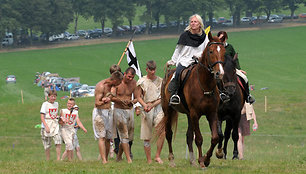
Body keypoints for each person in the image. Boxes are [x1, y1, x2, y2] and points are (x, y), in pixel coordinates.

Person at [166, 14, 210, 105]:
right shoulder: (184, 35)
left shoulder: (205, 37)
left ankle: (220, 93)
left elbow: (207, 50)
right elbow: (178, 49)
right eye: (192, 22)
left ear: (199, 24)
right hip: (185, 60)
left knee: (212, 73)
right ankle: (175, 94)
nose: (193, 23)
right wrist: (173, 61)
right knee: (178, 73)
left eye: (195, 22)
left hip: (199, 61)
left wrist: (199, 55)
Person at [135, 60, 165, 164]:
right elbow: (138, 97)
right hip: (146, 107)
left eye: (154, 69)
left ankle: (157, 156)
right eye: (150, 70)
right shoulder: (141, 81)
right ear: (147, 69)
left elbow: (162, 97)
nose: (152, 72)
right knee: (147, 136)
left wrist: (153, 105)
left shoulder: (161, 81)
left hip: (158, 107)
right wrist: (144, 105)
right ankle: (149, 160)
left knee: (162, 131)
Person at [93, 71, 123, 164]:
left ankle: (106, 157)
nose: (119, 84)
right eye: (118, 82)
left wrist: (110, 97)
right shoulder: (101, 86)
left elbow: (113, 95)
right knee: (101, 136)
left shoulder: (113, 87)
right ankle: (103, 160)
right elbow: (97, 103)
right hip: (100, 113)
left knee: (108, 137)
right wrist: (104, 101)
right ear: (114, 80)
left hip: (109, 112)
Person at [217, 31, 255, 104]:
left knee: (244, 77)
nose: (222, 40)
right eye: (220, 38)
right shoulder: (217, 48)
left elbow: (235, 59)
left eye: (223, 38)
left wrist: (239, 69)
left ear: (226, 38)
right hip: (221, 69)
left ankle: (248, 96)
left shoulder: (230, 47)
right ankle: (220, 94)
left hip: (231, 69)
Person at [112, 67, 138, 163]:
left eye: (132, 77)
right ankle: (128, 159)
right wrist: (121, 100)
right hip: (118, 110)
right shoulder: (117, 83)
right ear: (125, 74)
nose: (130, 79)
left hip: (129, 110)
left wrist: (132, 101)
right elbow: (112, 97)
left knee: (129, 136)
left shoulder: (134, 83)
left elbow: (137, 97)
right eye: (129, 76)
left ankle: (118, 157)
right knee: (124, 135)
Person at [40, 90, 61, 161]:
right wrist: (46, 126)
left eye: (54, 96)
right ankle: (48, 159)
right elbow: (42, 117)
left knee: (58, 140)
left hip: (54, 124)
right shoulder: (45, 104)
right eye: (52, 96)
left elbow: (54, 114)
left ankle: (58, 159)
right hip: (47, 124)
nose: (53, 98)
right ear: (49, 96)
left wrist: (60, 118)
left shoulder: (56, 104)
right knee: (47, 144)